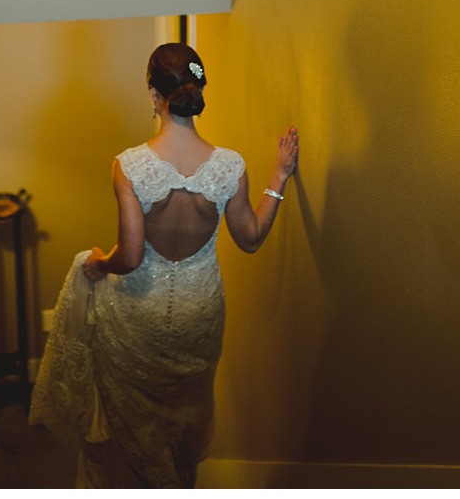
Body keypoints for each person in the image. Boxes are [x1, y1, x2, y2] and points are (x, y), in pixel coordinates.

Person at [28, 42, 299, 487]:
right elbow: (250, 239)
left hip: (141, 318)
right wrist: (279, 178)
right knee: (187, 415)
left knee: (136, 419)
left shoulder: (130, 166)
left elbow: (130, 257)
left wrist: (99, 262)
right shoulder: (230, 166)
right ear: (197, 89)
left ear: (154, 94)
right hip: (200, 316)